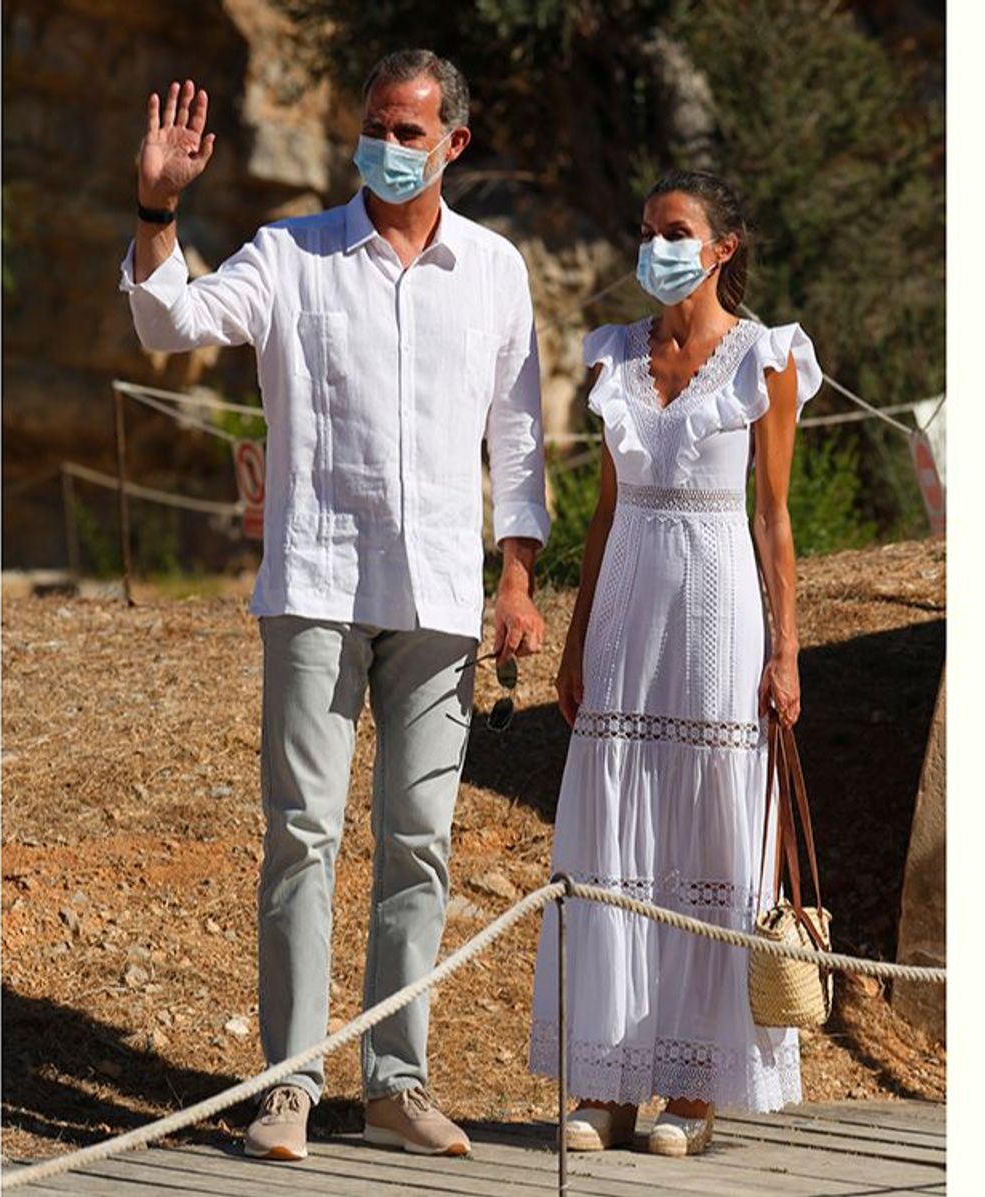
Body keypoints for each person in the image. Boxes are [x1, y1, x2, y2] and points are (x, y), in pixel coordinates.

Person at [120, 49, 549, 1162]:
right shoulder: (293, 254)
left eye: (411, 132)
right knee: (301, 836)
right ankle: (288, 1087)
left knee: (421, 841)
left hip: (444, 595)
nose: (390, 148)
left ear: (455, 143)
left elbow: (518, 437)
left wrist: (516, 576)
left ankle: (397, 1083)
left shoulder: (495, 271)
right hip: (315, 583)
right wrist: (158, 207)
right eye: (376, 126)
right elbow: (170, 323)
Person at [528, 169, 822, 1157]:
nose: (656, 244)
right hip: (623, 618)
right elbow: (604, 512)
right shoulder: (614, 355)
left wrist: (785, 650)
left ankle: (690, 1091)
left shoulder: (766, 359)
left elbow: (774, 518)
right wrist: (572, 642)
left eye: (677, 229)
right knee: (613, 843)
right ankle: (606, 1082)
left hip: (718, 613)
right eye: (647, 229)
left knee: (706, 838)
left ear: (722, 247)